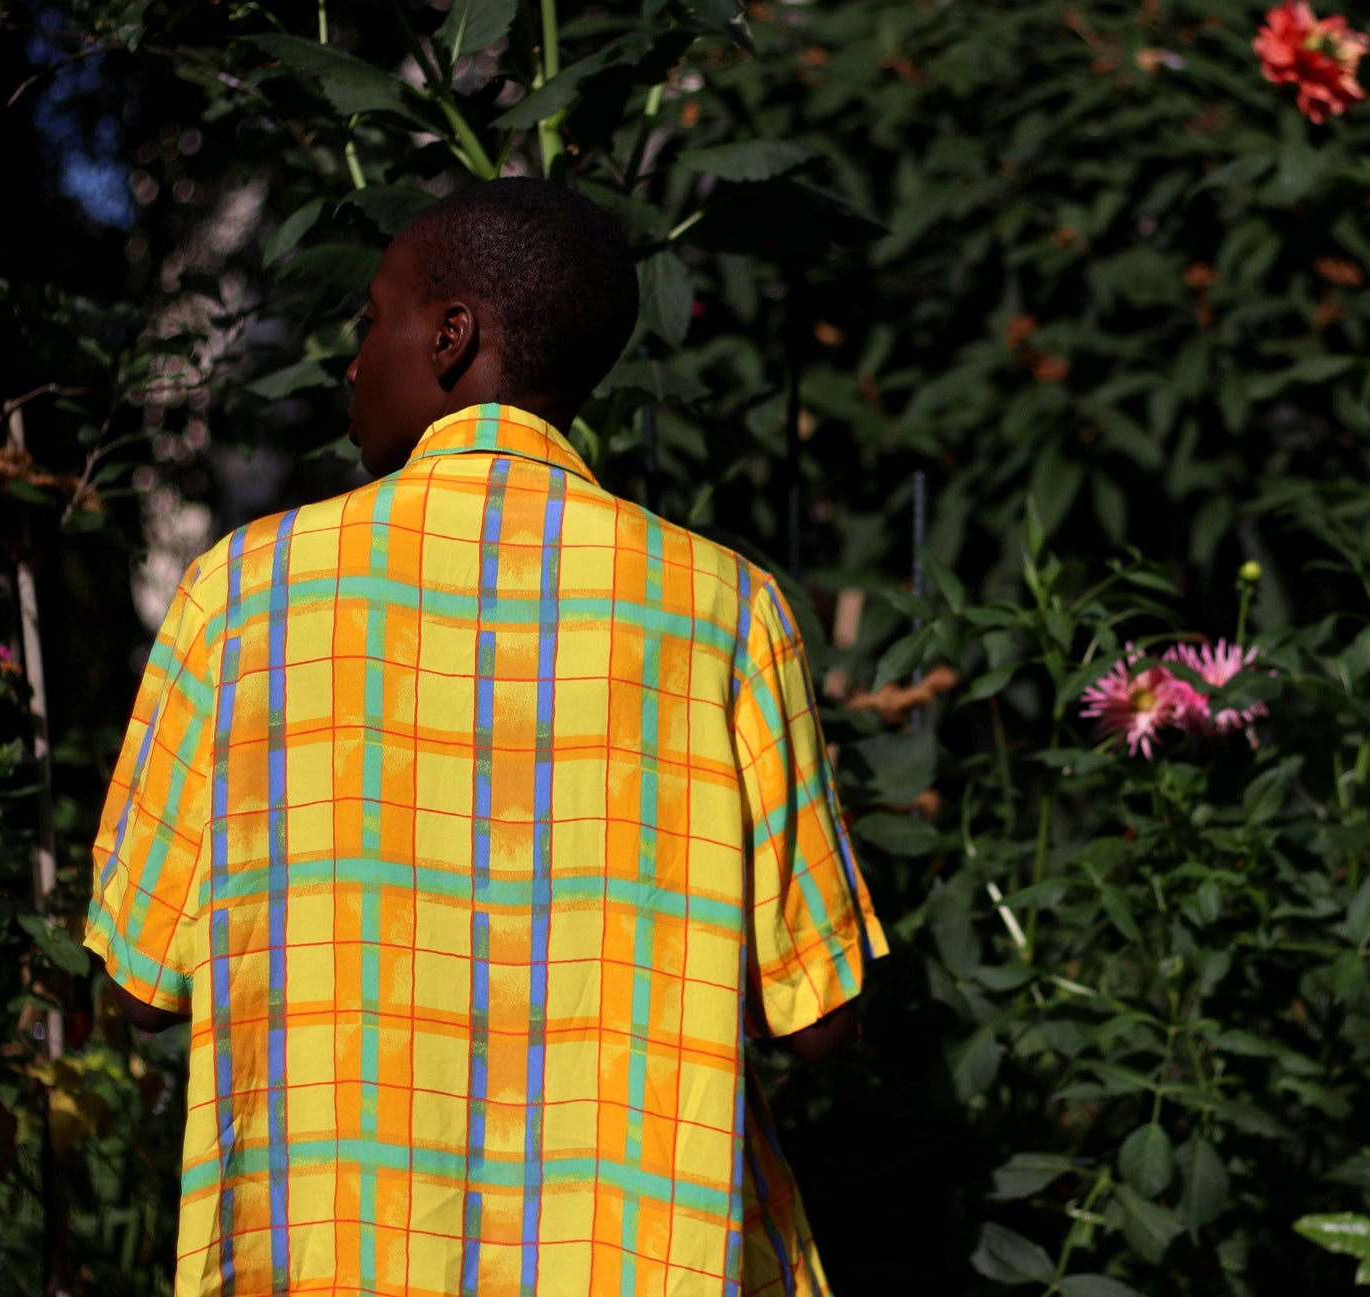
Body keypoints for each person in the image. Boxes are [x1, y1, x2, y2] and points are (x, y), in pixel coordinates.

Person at [84, 177, 885, 1297]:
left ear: (453, 337)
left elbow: (134, 982)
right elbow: (822, 1018)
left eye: (373, 319)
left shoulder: (246, 597)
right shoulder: (725, 609)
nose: (352, 361)